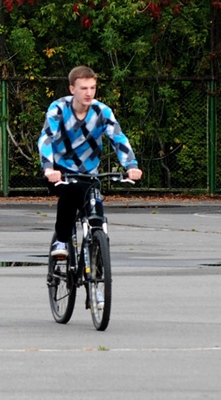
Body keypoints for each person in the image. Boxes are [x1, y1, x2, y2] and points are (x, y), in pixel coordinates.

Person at [37, 65, 142, 258]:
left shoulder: (102, 112)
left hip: (89, 172)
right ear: (72, 89)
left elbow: (118, 138)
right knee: (70, 193)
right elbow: (46, 138)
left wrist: (131, 165)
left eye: (92, 88)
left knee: (95, 208)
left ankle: (97, 253)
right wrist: (49, 168)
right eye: (83, 88)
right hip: (61, 171)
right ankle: (61, 240)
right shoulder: (58, 108)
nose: (89, 93)